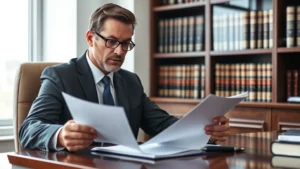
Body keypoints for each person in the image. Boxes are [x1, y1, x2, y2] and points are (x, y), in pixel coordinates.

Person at [19, 3, 230, 152]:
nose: (120, 52)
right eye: (112, 41)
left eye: (126, 43)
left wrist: (204, 132)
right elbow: (29, 129)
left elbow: (163, 125)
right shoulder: (60, 76)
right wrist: (60, 135)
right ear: (91, 38)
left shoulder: (131, 82)